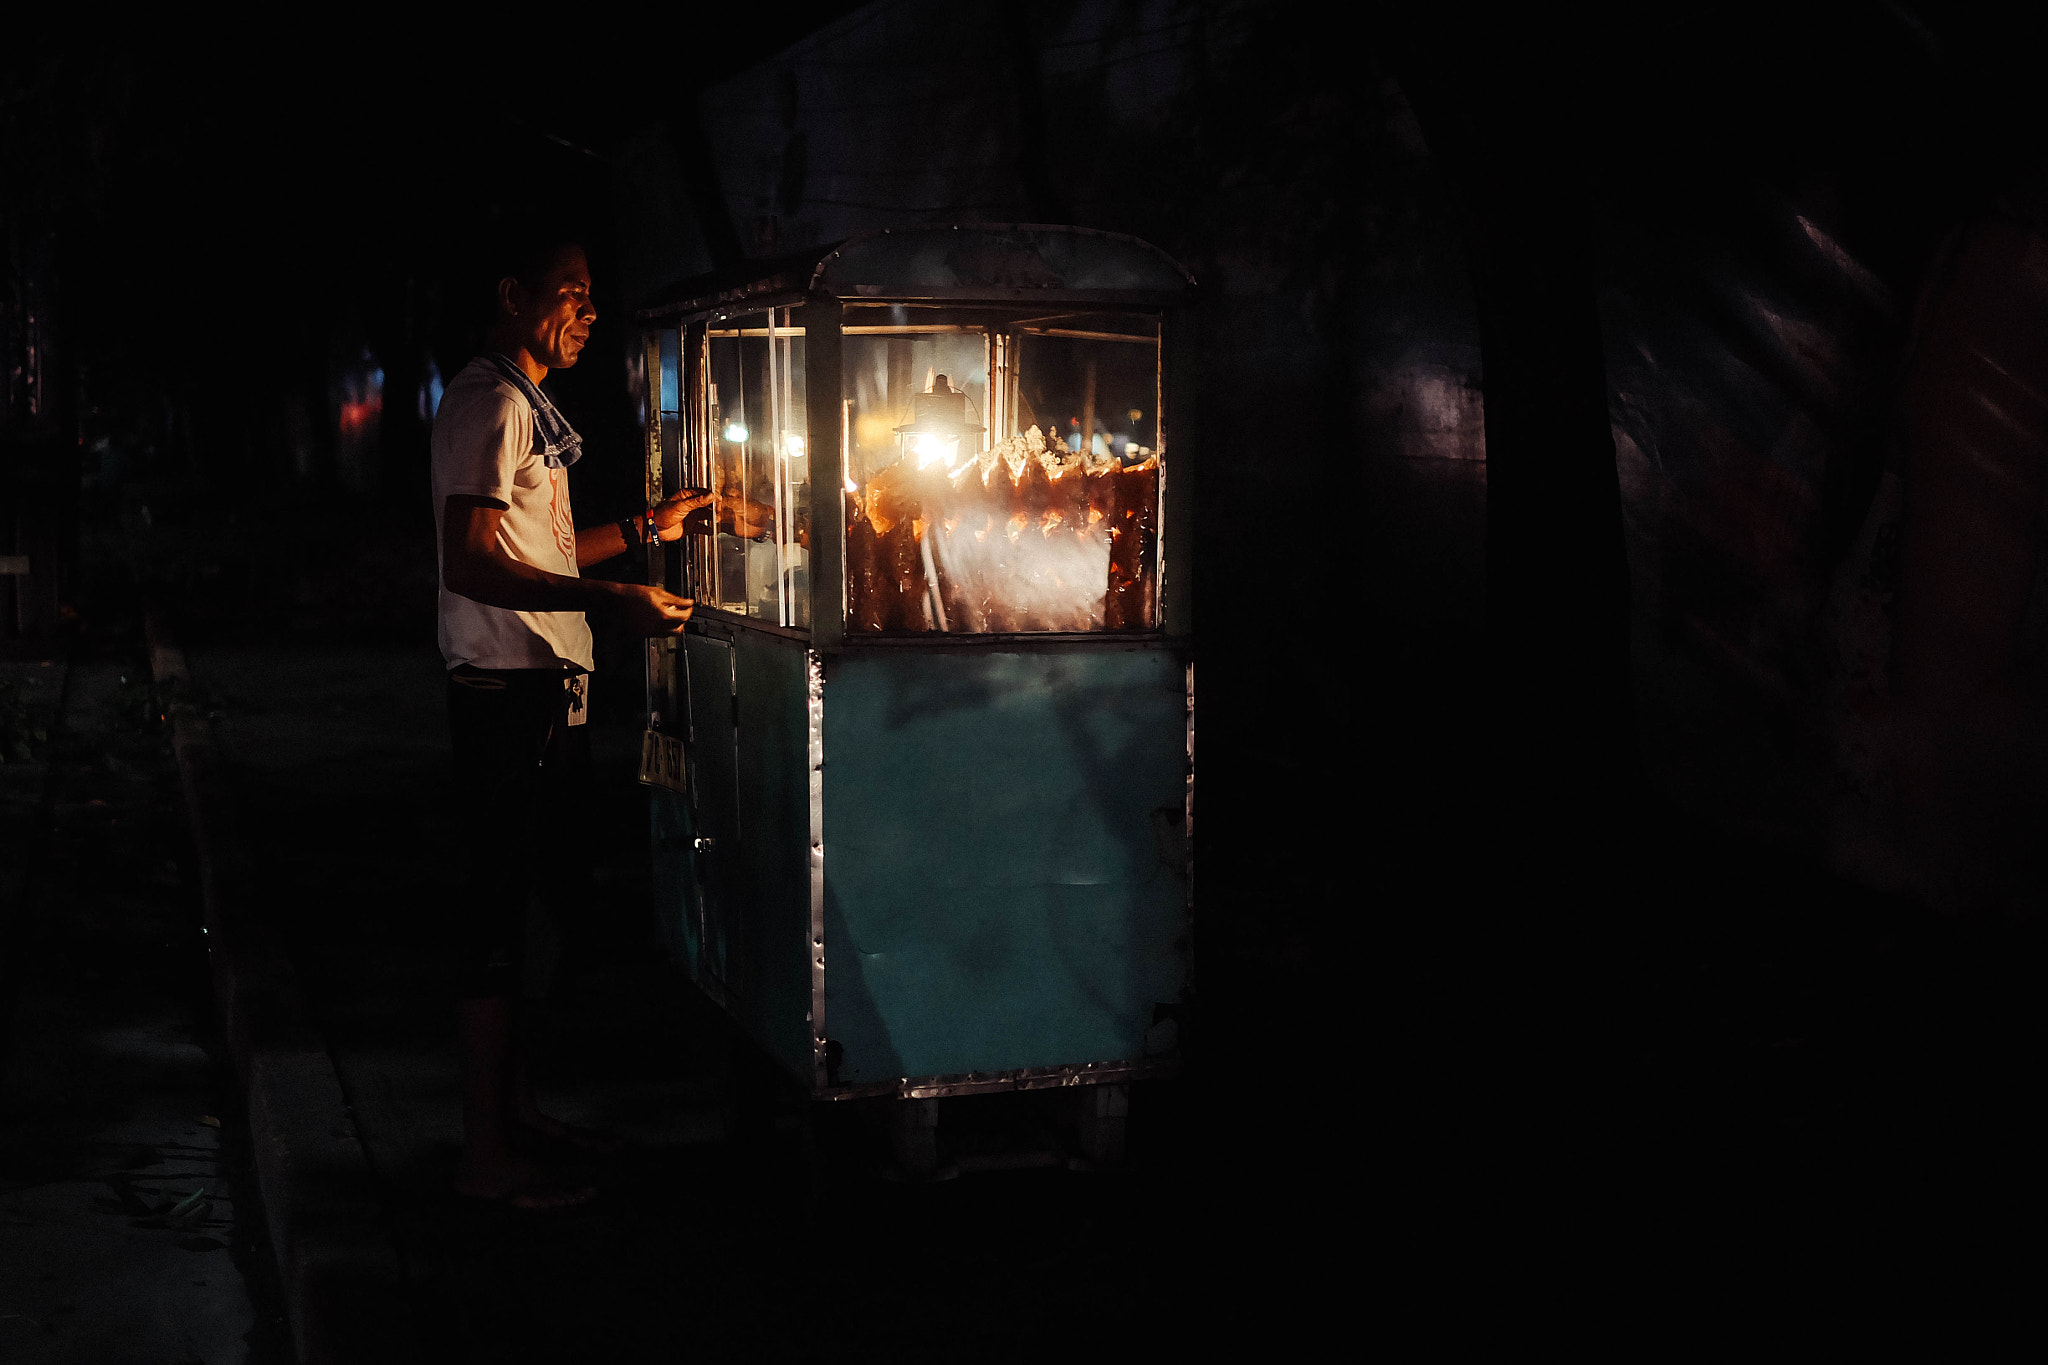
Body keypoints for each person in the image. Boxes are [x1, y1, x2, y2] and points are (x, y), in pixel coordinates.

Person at [433, 236, 708, 1209]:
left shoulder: (517, 402)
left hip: (540, 692)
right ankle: (483, 1158)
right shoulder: (492, 402)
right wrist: (613, 602)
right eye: (571, 294)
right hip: (505, 696)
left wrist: (644, 530)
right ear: (512, 297)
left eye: (593, 298)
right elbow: (469, 563)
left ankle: (515, 1115)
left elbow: (535, 546)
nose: (588, 314)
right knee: (497, 920)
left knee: (537, 908)